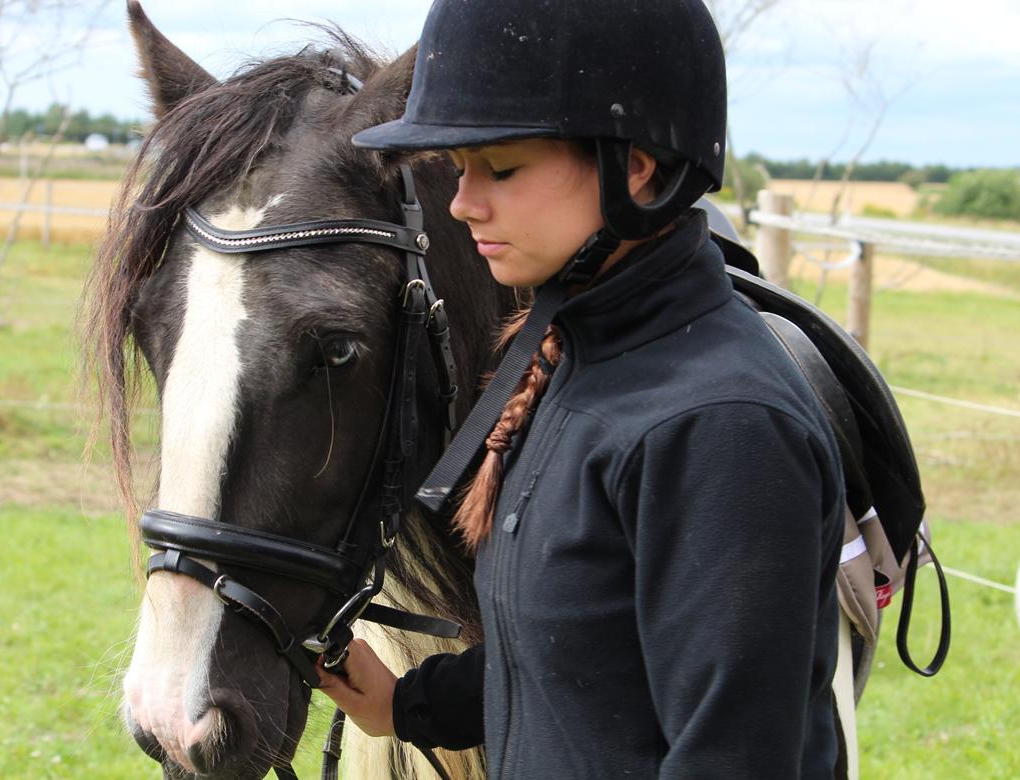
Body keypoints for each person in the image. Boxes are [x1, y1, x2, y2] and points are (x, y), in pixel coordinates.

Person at [318, 1, 846, 777]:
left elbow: (731, 755)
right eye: (459, 171)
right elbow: (580, 653)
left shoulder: (720, 427)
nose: (464, 203)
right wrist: (407, 704)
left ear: (633, 167)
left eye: (501, 167)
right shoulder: (580, 361)